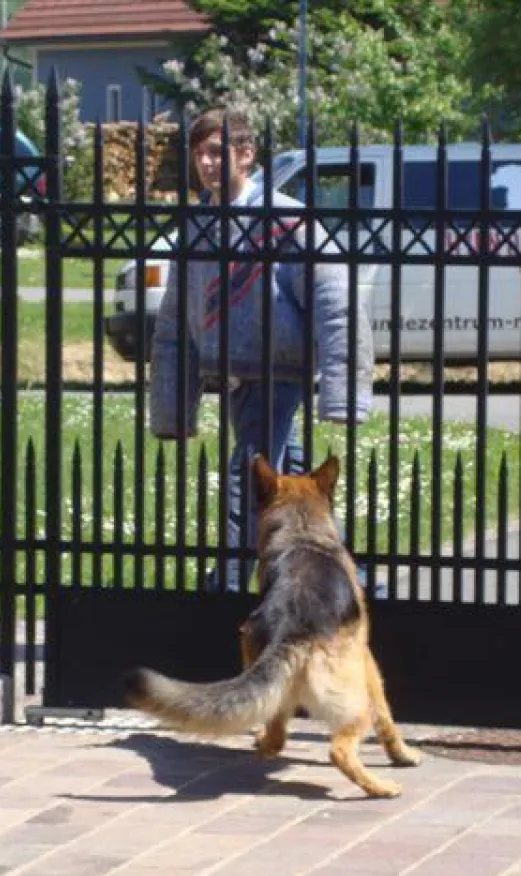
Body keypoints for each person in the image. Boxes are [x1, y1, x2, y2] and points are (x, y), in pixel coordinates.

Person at [149, 106, 374, 592]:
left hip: (277, 373)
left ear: (246, 153)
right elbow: (175, 317)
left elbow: (335, 298)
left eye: (217, 152)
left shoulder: (284, 218)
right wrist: (172, 406)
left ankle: (227, 585)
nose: (206, 163)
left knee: (248, 479)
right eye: (199, 154)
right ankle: (354, 581)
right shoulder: (199, 224)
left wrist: (344, 394)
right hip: (234, 375)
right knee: (293, 488)